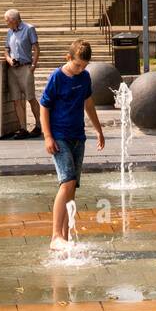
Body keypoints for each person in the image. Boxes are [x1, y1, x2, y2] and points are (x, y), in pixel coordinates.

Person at [39, 39, 105, 250]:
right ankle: (55, 236)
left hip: (78, 137)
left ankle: (65, 238)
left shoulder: (84, 77)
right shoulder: (57, 77)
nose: (80, 69)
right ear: (68, 58)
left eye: (84, 66)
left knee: (72, 188)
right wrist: (47, 136)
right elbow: (44, 107)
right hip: (59, 137)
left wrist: (98, 129)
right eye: (77, 65)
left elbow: (88, 103)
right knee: (66, 183)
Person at [3, 8, 42, 140]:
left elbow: (36, 48)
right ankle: (23, 128)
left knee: (30, 97)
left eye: (7, 21)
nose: (6, 23)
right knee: (16, 99)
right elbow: (6, 50)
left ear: (14, 20)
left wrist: (33, 66)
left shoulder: (29, 28)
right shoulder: (9, 32)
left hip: (26, 67)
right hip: (13, 69)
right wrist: (9, 60)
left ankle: (38, 125)